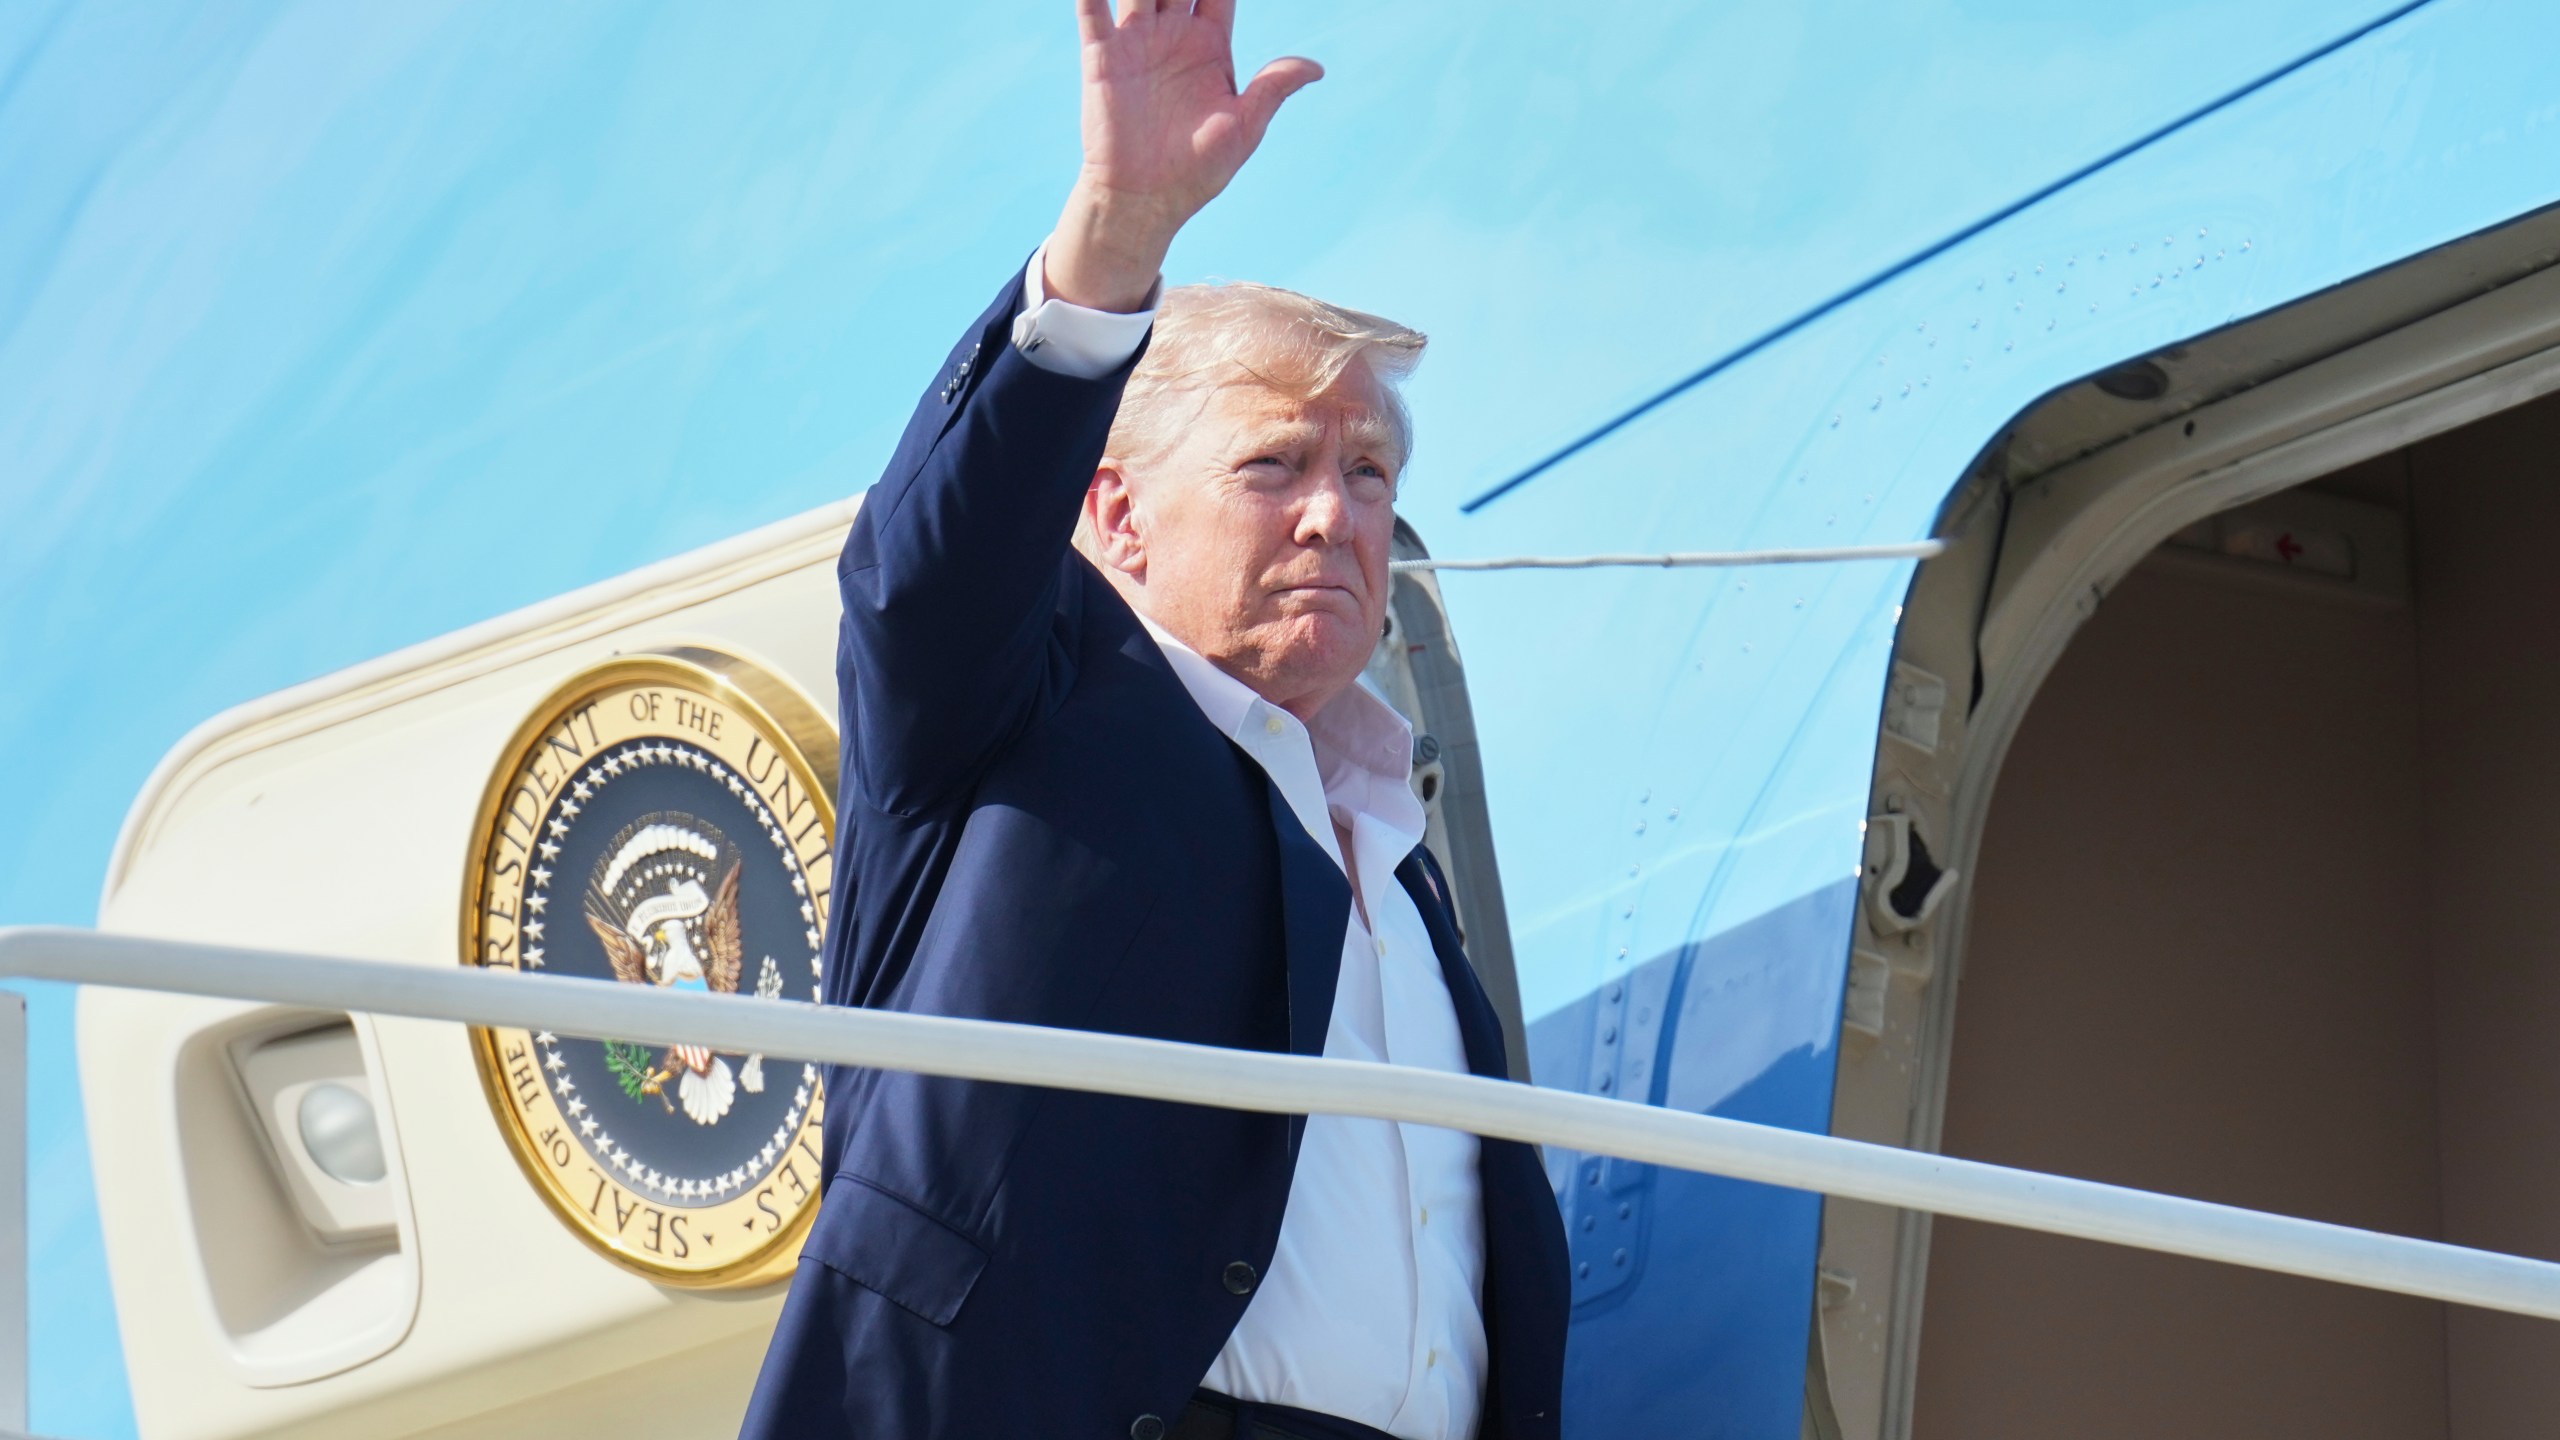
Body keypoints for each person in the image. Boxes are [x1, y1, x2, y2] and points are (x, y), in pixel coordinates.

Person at [740, 3, 1569, 1436]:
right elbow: (924, 578)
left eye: (1369, 472)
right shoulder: (1020, 715)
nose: (1335, 514)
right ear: (1113, 515)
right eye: (1274, 464)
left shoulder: (1401, 861)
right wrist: (1116, 237)